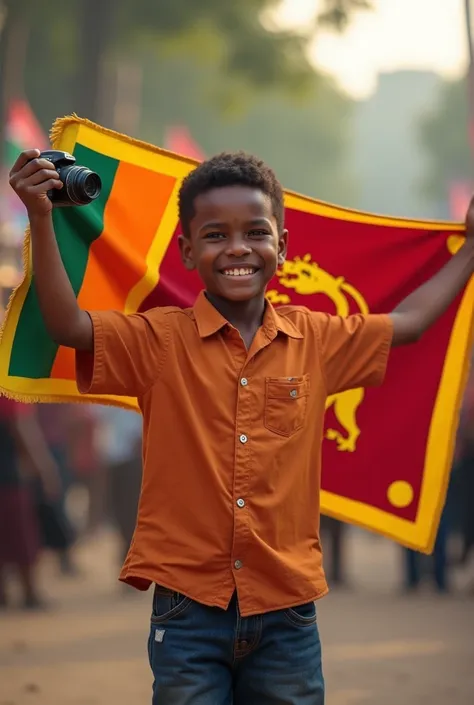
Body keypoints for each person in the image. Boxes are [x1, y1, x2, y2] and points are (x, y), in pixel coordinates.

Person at [9, 148, 474, 704]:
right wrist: (41, 214)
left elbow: (414, 322)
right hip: (186, 610)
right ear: (185, 250)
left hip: (288, 610)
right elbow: (66, 323)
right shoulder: (158, 340)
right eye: (214, 235)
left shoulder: (318, 340)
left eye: (255, 232)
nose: (237, 248)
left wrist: (471, 248)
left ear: (282, 245)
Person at [0, 398, 60, 609]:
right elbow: (23, 430)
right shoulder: (10, 394)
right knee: (20, 537)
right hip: (8, 478)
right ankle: (30, 593)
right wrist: (45, 470)